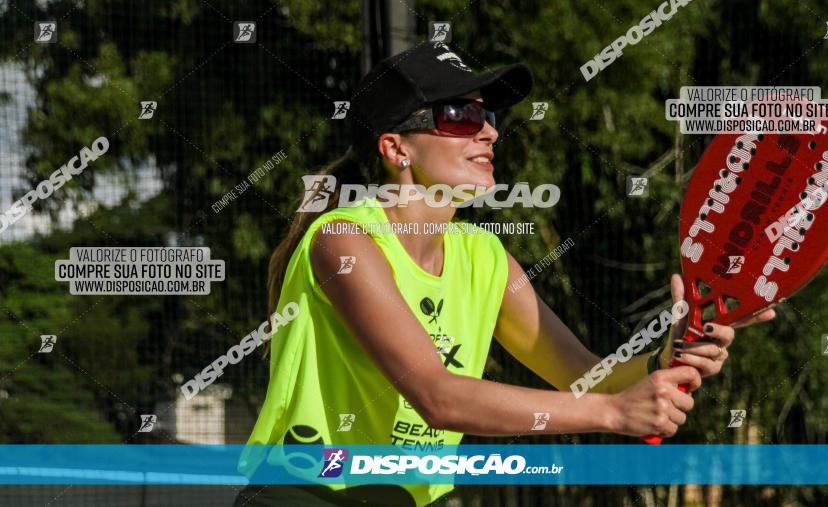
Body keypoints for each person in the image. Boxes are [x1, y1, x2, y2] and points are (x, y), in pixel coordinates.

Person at [235, 42, 776, 506]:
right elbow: (437, 395)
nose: (489, 133)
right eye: (459, 117)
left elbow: (585, 376)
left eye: (488, 118)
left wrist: (670, 353)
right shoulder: (343, 240)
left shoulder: (485, 258)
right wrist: (613, 412)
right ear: (395, 147)